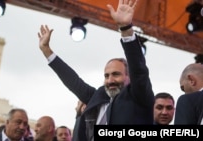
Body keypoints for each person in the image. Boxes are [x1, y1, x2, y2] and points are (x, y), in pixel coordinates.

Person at [37, 0, 154, 140]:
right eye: (106, 75)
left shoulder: (139, 95)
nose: (110, 80)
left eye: (116, 74)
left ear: (129, 77)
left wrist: (126, 29)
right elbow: (73, 81)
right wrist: (47, 51)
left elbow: (139, 69)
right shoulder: (98, 96)